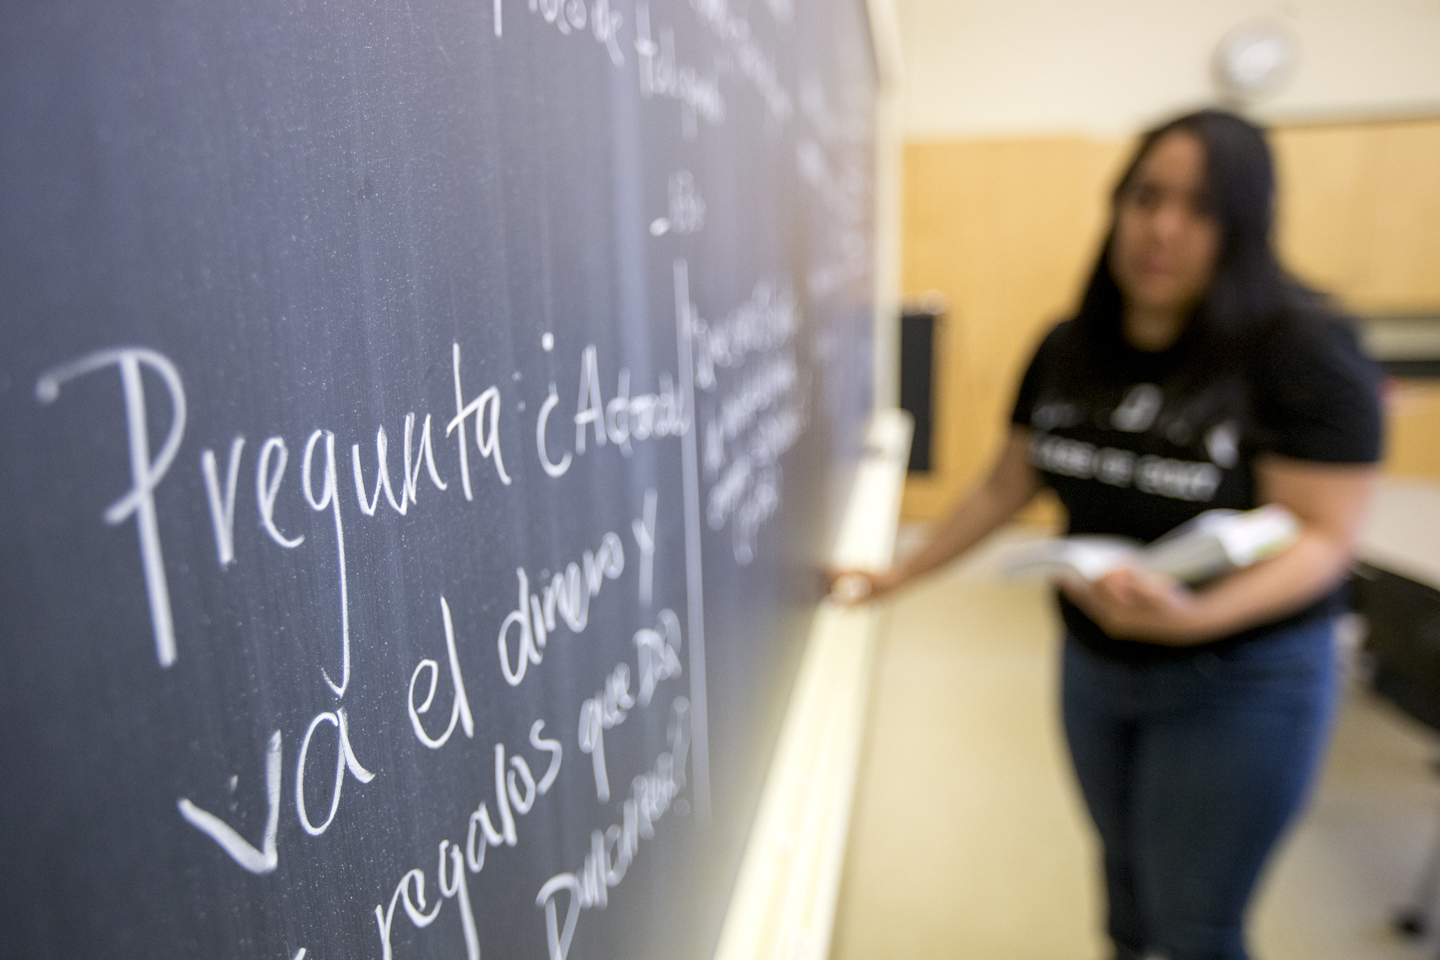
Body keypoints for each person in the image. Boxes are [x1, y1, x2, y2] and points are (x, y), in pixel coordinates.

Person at [837, 109, 1382, 960]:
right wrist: (899, 574)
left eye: (1200, 209)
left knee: (1195, 922)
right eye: (1145, 198)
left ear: (1242, 227)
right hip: (1097, 661)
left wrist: (1196, 619)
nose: (1162, 230)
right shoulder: (1069, 345)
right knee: (1126, 899)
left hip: (1241, 677)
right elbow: (1008, 481)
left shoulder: (1301, 351)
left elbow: (1321, 537)